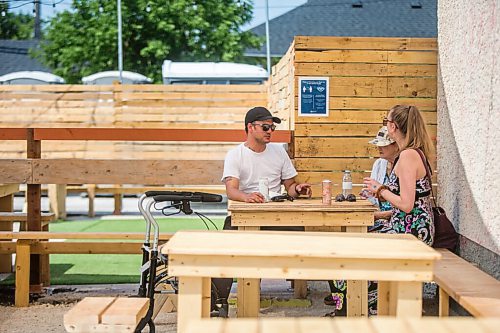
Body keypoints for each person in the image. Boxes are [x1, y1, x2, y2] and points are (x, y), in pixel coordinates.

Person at [211, 106, 312, 316]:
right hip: (244, 216)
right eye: (266, 126)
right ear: (250, 127)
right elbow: (231, 190)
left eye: (272, 127)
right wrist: (247, 197)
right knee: (224, 251)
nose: (270, 131)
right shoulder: (235, 154)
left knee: (316, 243)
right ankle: (218, 304)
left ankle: (340, 299)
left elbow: (290, 186)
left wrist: (298, 189)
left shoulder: (279, 151)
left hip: (277, 216)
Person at [324, 126, 400, 316]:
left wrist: (379, 212)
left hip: (394, 224)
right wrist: (368, 197)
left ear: (396, 145)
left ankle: (361, 303)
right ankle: (344, 301)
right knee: (331, 248)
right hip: (379, 220)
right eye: (378, 145)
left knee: (352, 250)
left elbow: (405, 208)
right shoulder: (380, 165)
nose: (379, 149)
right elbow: (374, 199)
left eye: (384, 145)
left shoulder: (404, 166)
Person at [363, 104, 435, 245]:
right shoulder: (412, 152)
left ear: (393, 126)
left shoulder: (408, 155)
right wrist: (379, 191)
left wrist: (380, 189)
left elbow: (407, 204)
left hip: (410, 231)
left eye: (386, 122)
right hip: (411, 227)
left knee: (359, 241)